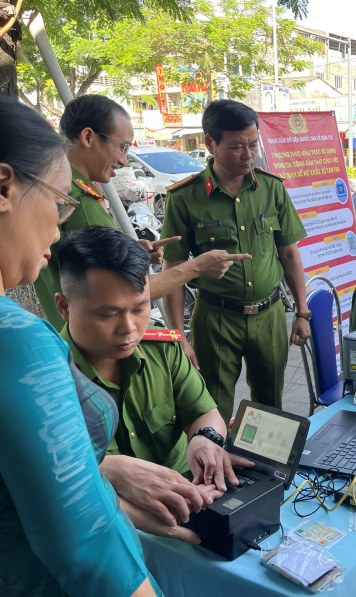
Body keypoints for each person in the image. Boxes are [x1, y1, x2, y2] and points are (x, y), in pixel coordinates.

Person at [0, 96, 160, 597]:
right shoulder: (18, 343)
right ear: (4, 187)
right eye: (57, 200)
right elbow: (87, 548)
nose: (58, 225)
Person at [55, 226, 254, 487]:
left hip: (193, 485)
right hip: (117, 513)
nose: (129, 327)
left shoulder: (161, 348)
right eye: (108, 314)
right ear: (65, 308)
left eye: (140, 308)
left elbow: (204, 412)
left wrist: (205, 439)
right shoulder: (51, 380)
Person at [33, 94, 250, 331]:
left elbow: (85, 269)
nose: (124, 160)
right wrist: (196, 267)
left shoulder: (58, 191)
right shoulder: (81, 202)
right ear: (88, 137)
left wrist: (133, 253)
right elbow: (123, 293)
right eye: (122, 146)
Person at [161, 99, 310, 422]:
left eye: (253, 144)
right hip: (215, 318)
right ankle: (216, 468)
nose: (248, 155)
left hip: (269, 315)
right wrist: (178, 336)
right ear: (210, 143)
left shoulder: (271, 189)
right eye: (237, 147)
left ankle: (267, 469)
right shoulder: (184, 197)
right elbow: (172, 270)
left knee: (270, 405)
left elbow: (288, 252)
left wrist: (302, 311)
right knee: (212, 405)